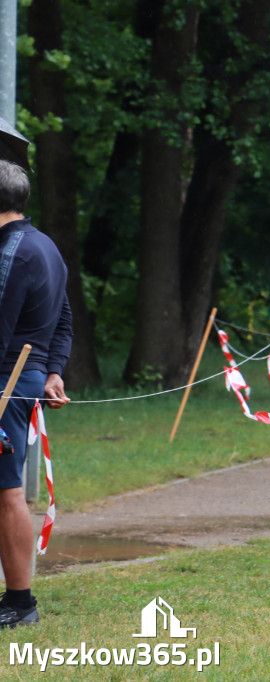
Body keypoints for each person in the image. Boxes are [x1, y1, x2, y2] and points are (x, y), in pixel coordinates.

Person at [0, 160, 72, 629]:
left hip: (4, 385)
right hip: (27, 378)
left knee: (8, 494)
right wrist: (52, 370)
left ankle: (20, 602)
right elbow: (64, 318)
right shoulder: (45, 246)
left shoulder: (11, 254)